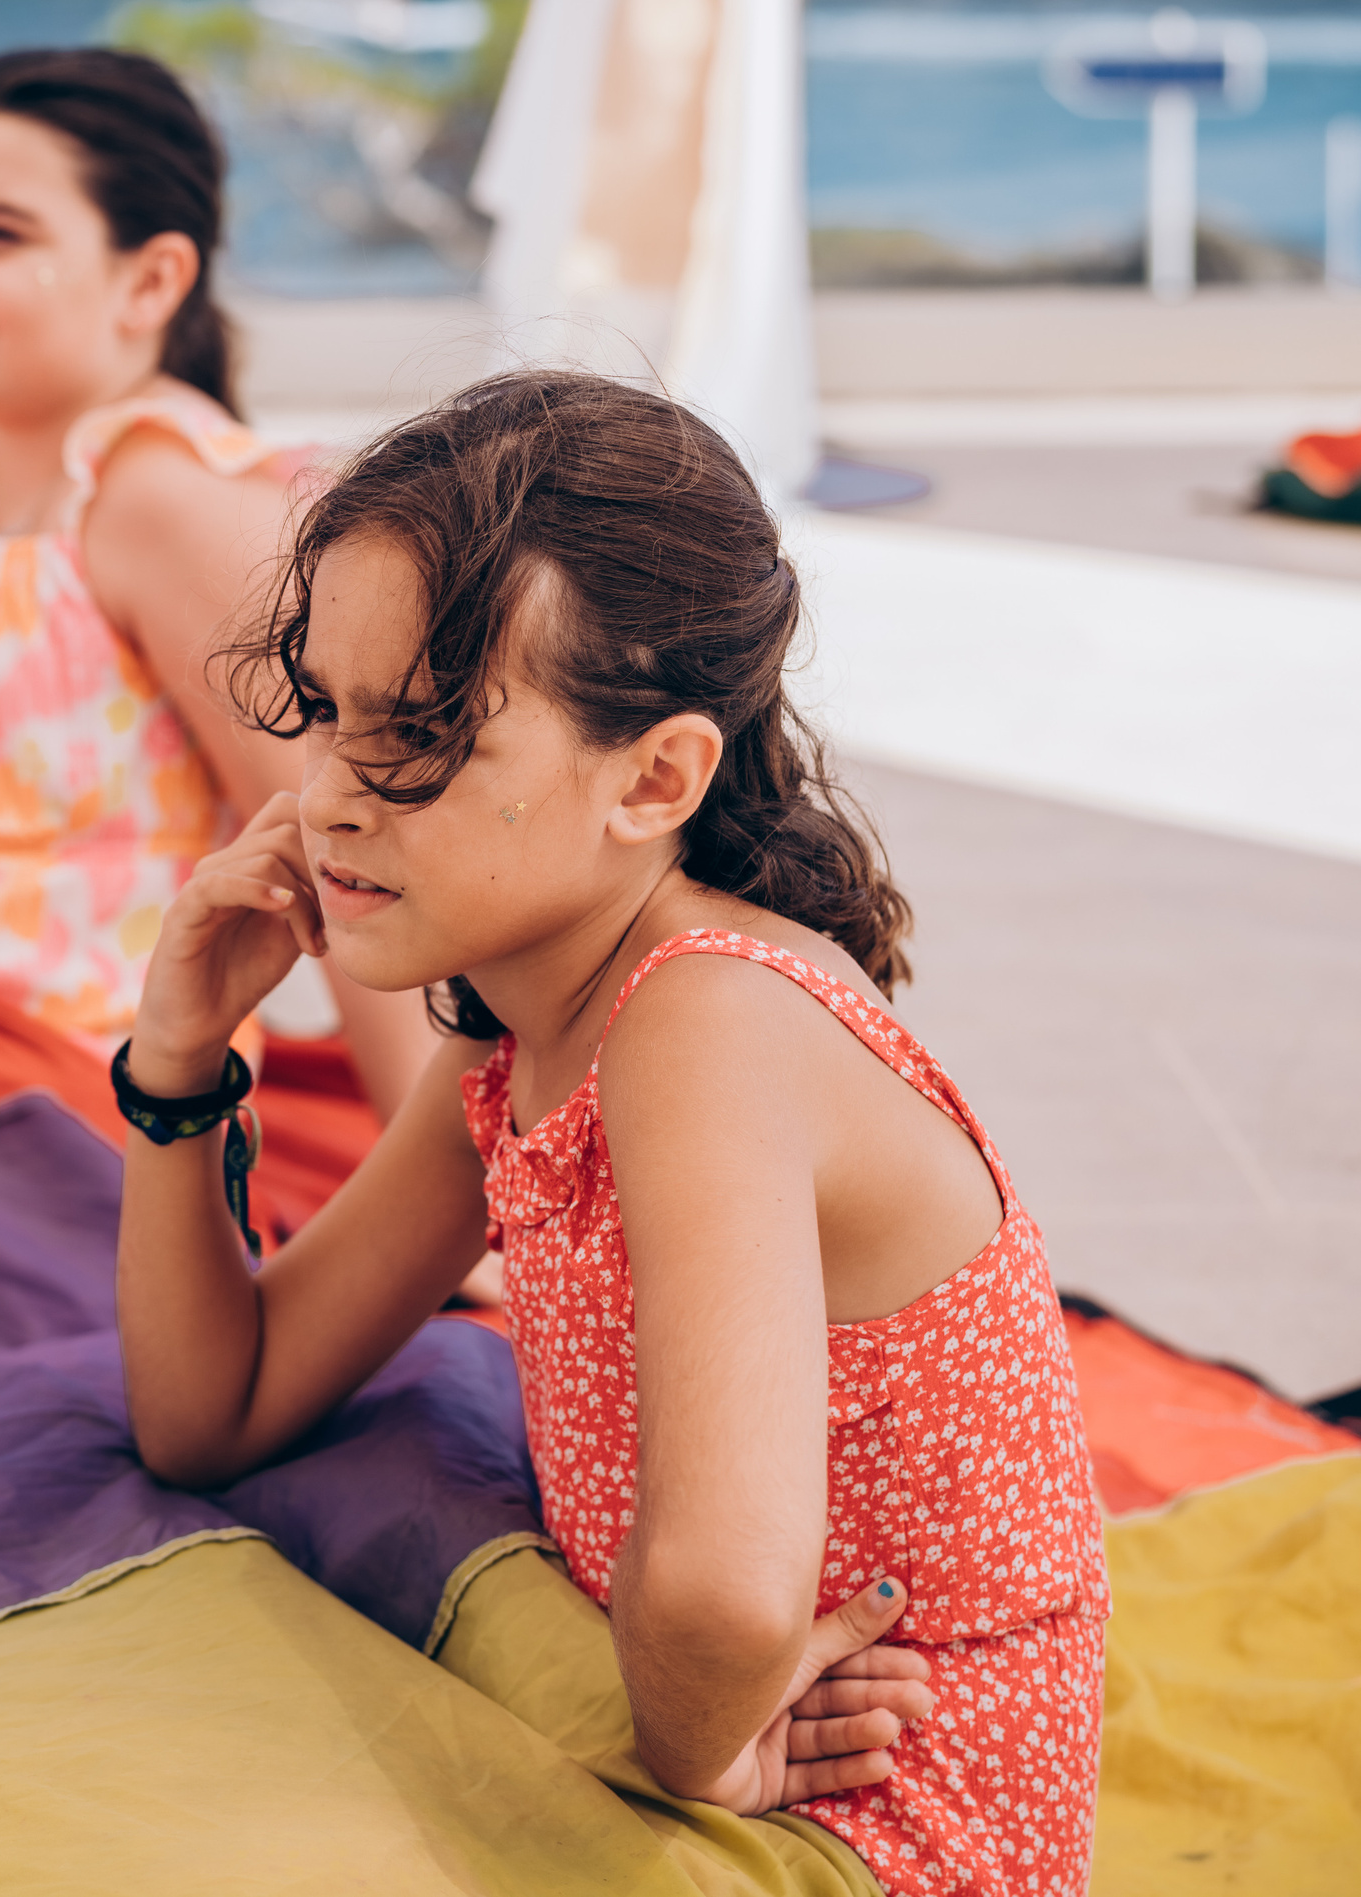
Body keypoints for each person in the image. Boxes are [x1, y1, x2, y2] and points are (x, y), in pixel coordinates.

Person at [113, 372, 1108, 1894]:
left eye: (422, 736)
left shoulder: (703, 1024)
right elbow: (215, 1412)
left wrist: (697, 1758)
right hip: (711, 1736)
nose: (328, 800)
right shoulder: (526, 1025)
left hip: (865, 1828)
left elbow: (720, 1595)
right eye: (322, 711)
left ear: (655, 779)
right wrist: (180, 1061)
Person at [0, 47, 437, 1123]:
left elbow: (343, 846)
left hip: (42, 1064)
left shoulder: (172, 505)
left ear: (151, 280)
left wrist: (443, 1181)